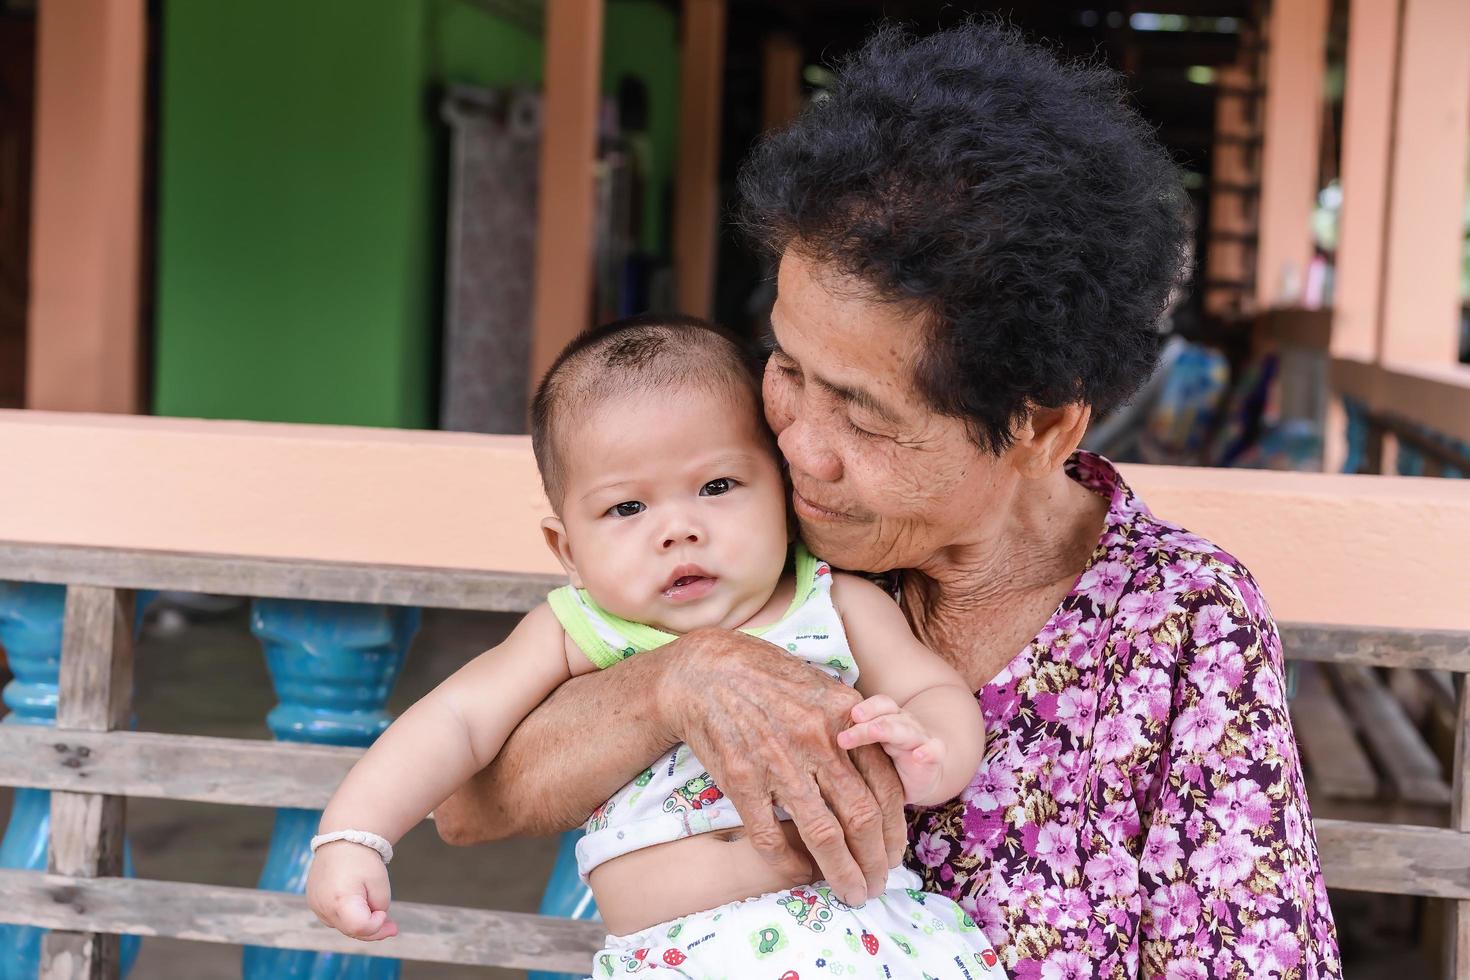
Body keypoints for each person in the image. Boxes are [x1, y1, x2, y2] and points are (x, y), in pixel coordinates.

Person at [436, 21, 1343, 979]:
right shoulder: (739, 525)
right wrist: (678, 679)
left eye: (864, 418)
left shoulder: (1180, 620)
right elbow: (468, 802)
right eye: (785, 363)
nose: (798, 446)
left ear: (1038, 430)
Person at [306, 316, 1005, 978]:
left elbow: (931, 693)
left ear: (785, 494)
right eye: (627, 508)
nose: (678, 529)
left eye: (718, 486)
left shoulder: (834, 603)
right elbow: (456, 721)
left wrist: (929, 757)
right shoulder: (582, 630)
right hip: (674, 956)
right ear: (568, 549)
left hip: (857, 936)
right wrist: (354, 835)